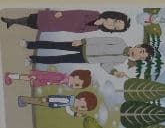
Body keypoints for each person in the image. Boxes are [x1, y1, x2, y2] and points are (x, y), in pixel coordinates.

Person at [22, 36, 153, 79]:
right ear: (138, 46)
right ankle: (29, 44)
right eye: (141, 51)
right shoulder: (120, 41)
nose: (137, 55)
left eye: (140, 57)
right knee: (55, 45)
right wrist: (83, 41)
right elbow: (100, 40)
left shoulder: (121, 60)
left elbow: (105, 65)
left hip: (85, 59)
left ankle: (32, 59)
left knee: (58, 59)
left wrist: (114, 72)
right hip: (83, 46)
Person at [3, 9, 130, 33]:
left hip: (59, 27)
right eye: (115, 22)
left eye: (115, 28)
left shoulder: (95, 28)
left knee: (33, 25)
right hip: (61, 17)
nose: (112, 24)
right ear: (112, 16)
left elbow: (79, 31)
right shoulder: (95, 14)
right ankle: (12, 20)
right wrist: (62, 13)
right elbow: (77, 12)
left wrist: (80, 27)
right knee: (33, 19)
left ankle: (12, 22)